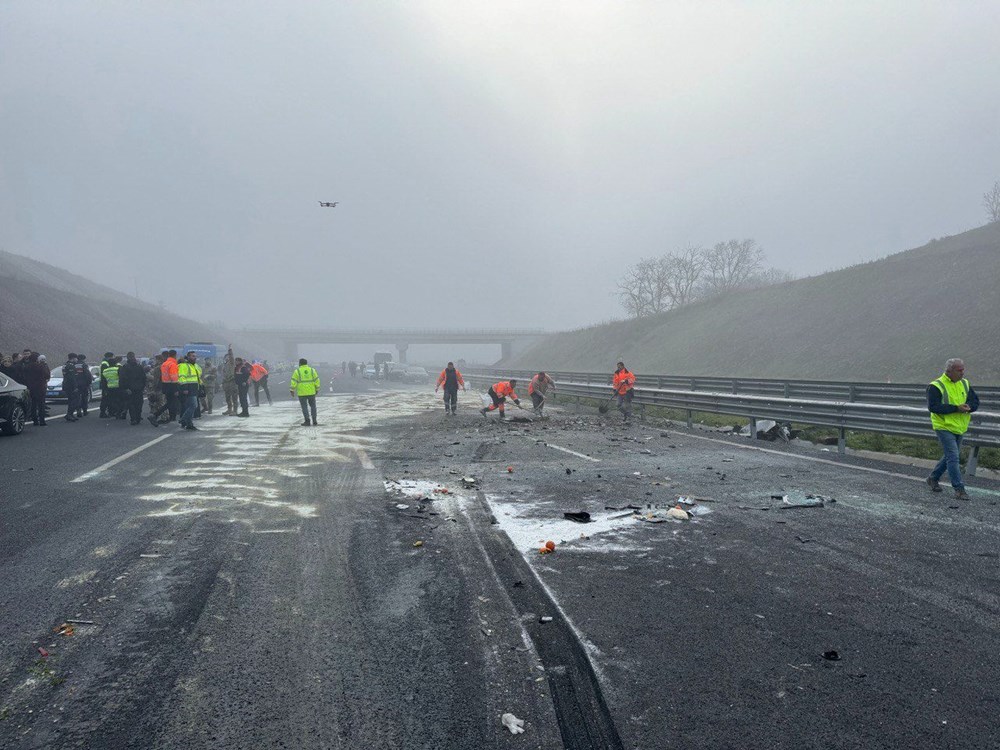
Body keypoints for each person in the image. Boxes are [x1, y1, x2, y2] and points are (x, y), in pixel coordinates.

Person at [926, 358, 979, 501]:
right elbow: (933, 407)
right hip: (943, 426)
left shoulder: (965, 383)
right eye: (959, 370)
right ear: (949, 371)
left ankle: (933, 478)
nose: (963, 373)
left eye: (963, 369)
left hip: (960, 427)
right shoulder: (936, 386)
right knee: (953, 457)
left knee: (951, 456)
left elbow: (975, 401)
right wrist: (956, 408)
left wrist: (970, 407)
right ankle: (959, 489)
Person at [149, 349, 180, 426]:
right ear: (175, 355)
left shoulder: (164, 364)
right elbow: (174, 377)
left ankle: (169, 417)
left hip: (165, 386)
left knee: (170, 403)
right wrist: (176, 389)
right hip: (172, 386)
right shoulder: (172, 364)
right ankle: (155, 415)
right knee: (170, 403)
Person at [290, 357, 321, 426]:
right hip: (311, 392)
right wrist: (317, 389)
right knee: (313, 406)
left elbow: (293, 381)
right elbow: (317, 380)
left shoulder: (297, 371)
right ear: (306, 363)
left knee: (304, 407)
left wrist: (292, 390)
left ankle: (307, 421)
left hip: (302, 393)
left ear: (300, 364)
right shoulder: (312, 370)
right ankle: (314, 420)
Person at [176, 351, 202, 430]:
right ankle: (183, 419)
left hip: (194, 388)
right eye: (193, 356)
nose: (195, 357)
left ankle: (189, 424)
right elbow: (181, 378)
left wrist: (200, 386)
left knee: (189, 406)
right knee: (194, 406)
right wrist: (184, 388)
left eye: (195, 356)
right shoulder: (184, 366)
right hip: (188, 389)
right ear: (188, 357)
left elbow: (197, 377)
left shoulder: (194, 366)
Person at [120, 352, 147, 425]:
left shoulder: (125, 367)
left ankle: (133, 419)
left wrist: (125, 388)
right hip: (139, 389)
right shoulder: (139, 367)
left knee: (131, 404)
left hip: (130, 389)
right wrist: (143, 387)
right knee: (139, 404)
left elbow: (122, 379)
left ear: (127, 358)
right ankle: (138, 417)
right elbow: (144, 378)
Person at [23, 353, 50, 426]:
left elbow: (24, 377)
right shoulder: (40, 366)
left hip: (31, 387)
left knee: (33, 404)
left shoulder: (26, 367)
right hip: (40, 387)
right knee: (41, 404)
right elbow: (47, 375)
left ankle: (34, 420)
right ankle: (42, 420)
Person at [62, 354, 81, 422]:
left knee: (71, 401)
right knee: (74, 401)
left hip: (67, 385)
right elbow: (72, 378)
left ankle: (70, 414)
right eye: (76, 358)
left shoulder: (65, 365)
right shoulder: (71, 366)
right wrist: (75, 387)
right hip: (70, 386)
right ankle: (69, 415)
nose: (77, 360)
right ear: (73, 358)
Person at [98, 352, 114, 418]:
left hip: (105, 383)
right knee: (105, 398)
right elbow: (105, 375)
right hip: (105, 383)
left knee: (107, 398)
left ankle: (106, 412)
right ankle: (102, 412)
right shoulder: (105, 364)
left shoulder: (104, 363)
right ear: (109, 357)